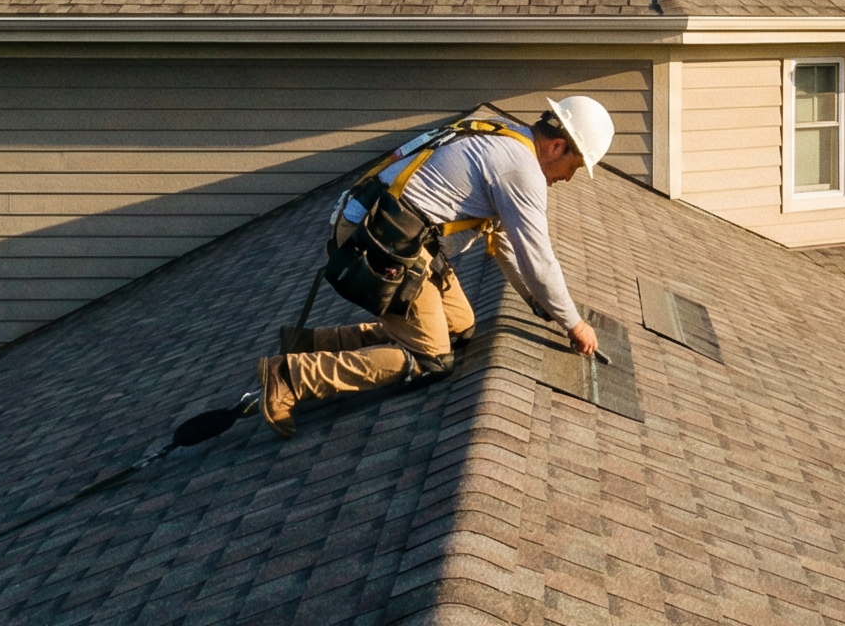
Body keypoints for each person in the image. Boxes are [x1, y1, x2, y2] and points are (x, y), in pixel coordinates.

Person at [258, 96, 614, 436]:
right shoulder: (521, 170)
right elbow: (538, 259)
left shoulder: (502, 133)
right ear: (557, 147)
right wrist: (574, 324)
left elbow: (503, 240)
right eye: (575, 167)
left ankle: (308, 342)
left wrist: (540, 304)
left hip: (389, 231)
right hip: (383, 245)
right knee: (433, 359)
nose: (568, 178)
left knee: (460, 329)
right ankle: (291, 376)